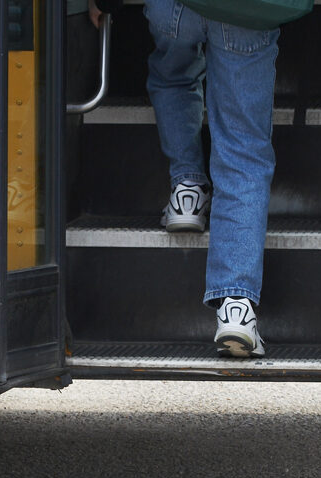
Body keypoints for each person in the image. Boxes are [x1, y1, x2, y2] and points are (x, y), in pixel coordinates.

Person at [91, 0, 279, 358]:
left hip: (173, 8)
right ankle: (236, 307)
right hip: (248, 10)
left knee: (174, 75)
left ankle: (187, 188)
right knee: (243, 151)